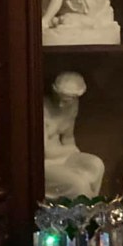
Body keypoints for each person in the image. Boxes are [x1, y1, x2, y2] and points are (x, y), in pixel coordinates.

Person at [42, 72, 104, 200]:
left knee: (96, 165)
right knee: (79, 183)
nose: (60, 105)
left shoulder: (72, 107)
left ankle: (90, 208)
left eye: (66, 101)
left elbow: (68, 139)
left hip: (64, 156)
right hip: (46, 163)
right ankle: (80, 216)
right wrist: (71, 151)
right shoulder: (43, 109)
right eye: (58, 98)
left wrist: (75, 155)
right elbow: (46, 152)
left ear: (76, 98)